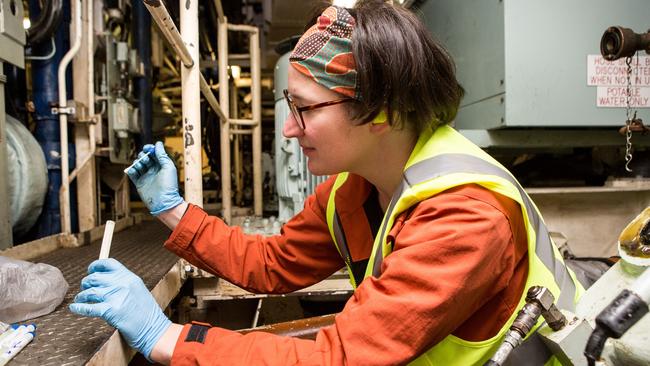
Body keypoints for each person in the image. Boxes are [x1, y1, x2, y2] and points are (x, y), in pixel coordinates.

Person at [69, 1, 584, 365]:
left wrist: (168, 339)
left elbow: (339, 358)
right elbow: (271, 264)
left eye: (305, 109)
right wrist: (171, 208)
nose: (290, 128)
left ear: (380, 108)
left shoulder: (464, 219)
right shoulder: (352, 189)